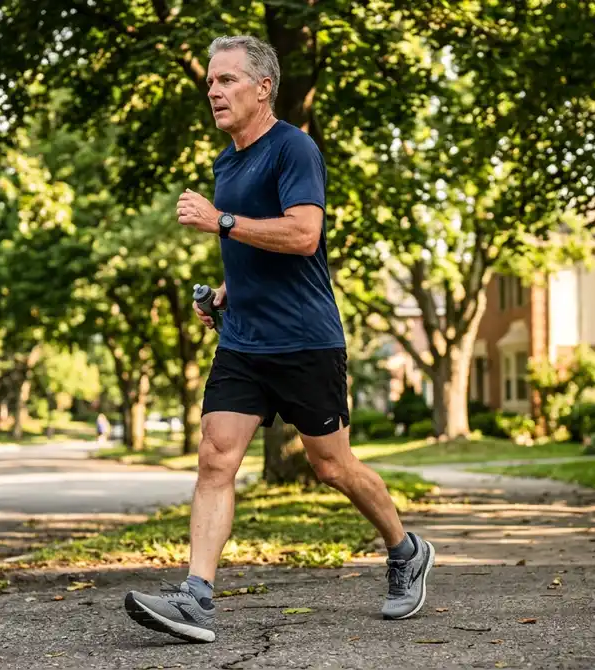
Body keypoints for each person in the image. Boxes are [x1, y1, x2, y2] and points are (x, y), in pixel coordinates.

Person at [123, 34, 434, 645]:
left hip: (304, 338)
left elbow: (302, 235)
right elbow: (252, 247)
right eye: (210, 81)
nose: (213, 91)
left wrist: (220, 221)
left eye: (227, 80)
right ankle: (196, 596)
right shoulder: (228, 161)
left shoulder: (294, 148)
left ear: (263, 87)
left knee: (331, 465)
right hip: (244, 341)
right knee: (215, 458)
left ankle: (405, 549)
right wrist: (226, 292)